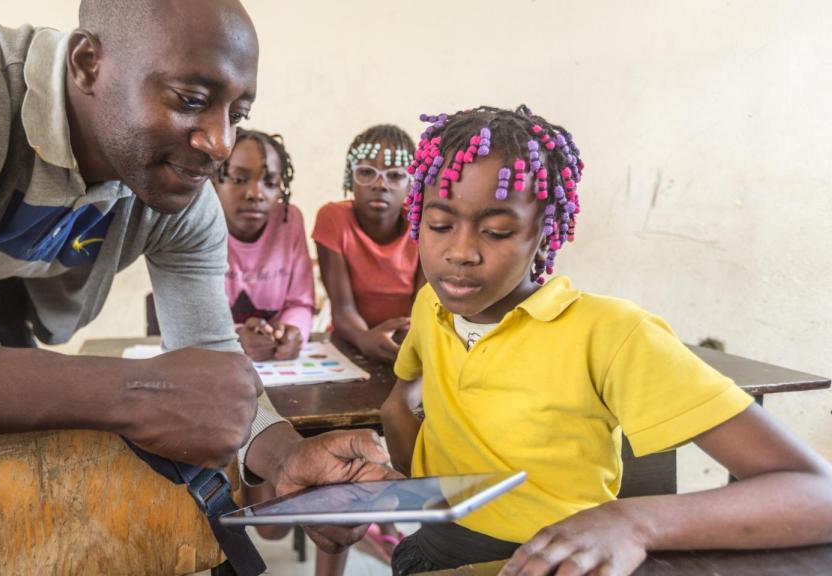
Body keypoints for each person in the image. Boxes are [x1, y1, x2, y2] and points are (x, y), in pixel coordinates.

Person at [0, 0, 395, 557]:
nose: (219, 144)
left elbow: (209, 361)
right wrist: (134, 392)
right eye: (191, 99)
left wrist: (285, 454)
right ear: (89, 63)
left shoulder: (182, 200)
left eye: (237, 116)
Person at [380, 105, 832, 575]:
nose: (460, 252)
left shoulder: (609, 334)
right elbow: (401, 399)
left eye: (497, 231)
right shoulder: (431, 306)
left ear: (543, 230)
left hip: (552, 563)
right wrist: (407, 487)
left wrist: (634, 522)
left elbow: (817, 493)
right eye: (439, 225)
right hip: (427, 555)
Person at [313, 124, 423, 364]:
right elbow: (343, 309)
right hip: (350, 341)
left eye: (394, 175)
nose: (379, 185)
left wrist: (410, 336)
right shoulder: (333, 219)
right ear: (349, 179)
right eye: (366, 172)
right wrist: (365, 338)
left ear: (411, 185)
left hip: (410, 341)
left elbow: (424, 307)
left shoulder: (423, 224)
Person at [214, 128, 313, 362]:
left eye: (270, 182)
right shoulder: (196, 224)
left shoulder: (289, 220)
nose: (256, 194)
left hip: (275, 365)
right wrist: (235, 337)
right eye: (239, 179)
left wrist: (292, 331)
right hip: (218, 363)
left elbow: (301, 302)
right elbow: (192, 317)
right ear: (214, 180)